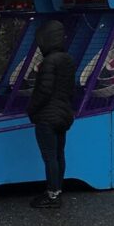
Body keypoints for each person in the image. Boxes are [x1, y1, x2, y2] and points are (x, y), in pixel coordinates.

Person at [27, 19, 76, 209]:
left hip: (47, 115)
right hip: (64, 113)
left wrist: (32, 109)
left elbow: (44, 91)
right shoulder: (68, 60)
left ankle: (52, 195)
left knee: (49, 156)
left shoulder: (49, 62)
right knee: (59, 154)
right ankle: (58, 190)